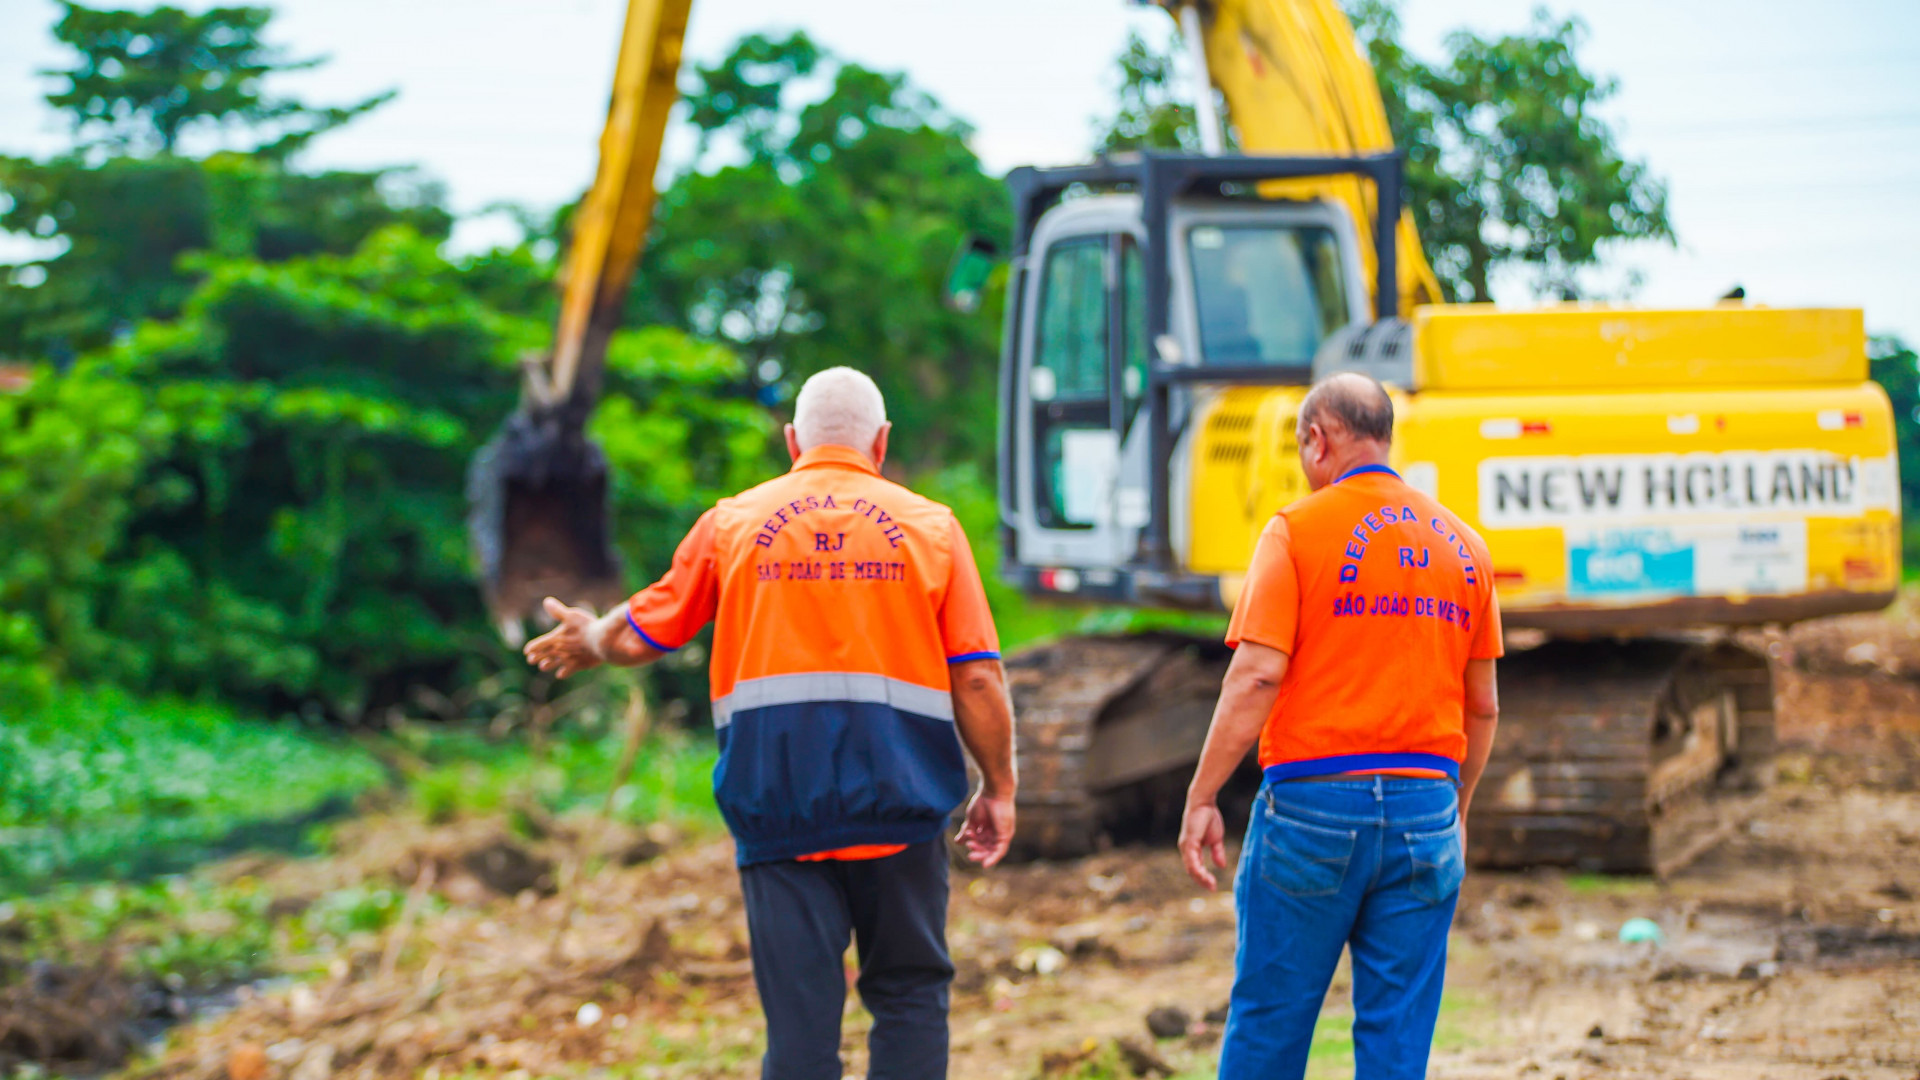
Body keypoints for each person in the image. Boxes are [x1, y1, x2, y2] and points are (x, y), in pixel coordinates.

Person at [524, 366, 1017, 1080]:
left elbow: (645, 629)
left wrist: (592, 636)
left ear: (792, 441)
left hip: (777, 810)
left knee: (800, 1028)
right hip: (900, 807)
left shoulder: (734, 522)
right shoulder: (930, 527)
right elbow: (975, 675)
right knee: (909, 995)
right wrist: (999, 785)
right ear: (881, 444)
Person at [1176, 372, 1502, 1080]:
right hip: (1427, 811)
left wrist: (1203, 795)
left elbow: (1256, 674)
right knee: (1396, 1039)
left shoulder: (1295, 531)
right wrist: (1458, 811)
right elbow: (1483, 706)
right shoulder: (1466, 546)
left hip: (1313, 810)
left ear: (1317, 440)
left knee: (1271, 1022)